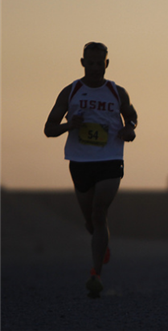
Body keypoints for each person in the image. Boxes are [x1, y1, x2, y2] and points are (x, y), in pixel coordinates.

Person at [44, 42, 138, 298]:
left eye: (101, 63)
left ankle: (95, 273)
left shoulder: (116, 92)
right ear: (83, 63)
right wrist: (68, 126)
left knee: (99, 213)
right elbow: (49, 128)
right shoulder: (71, 91)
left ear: (107, 64)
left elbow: (131, 116)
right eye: (91, 62)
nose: (96, 67)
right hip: (80, 160)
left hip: (110, 157)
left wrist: (130, 129)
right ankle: (101, 244)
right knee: (90, 220)